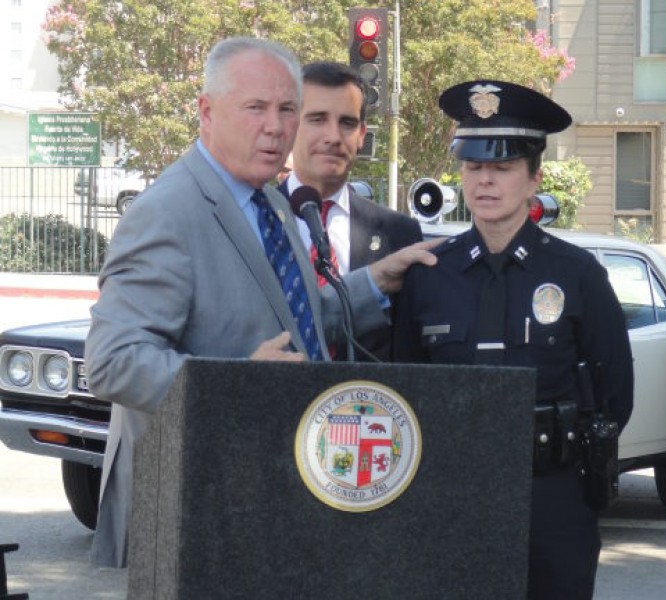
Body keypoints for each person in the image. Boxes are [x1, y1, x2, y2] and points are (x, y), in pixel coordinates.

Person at [85, 37, 438, 568]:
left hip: (270, 500)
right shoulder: (166, 213)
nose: (275, 126)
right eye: (255, 108)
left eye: (287, 109)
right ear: (207, 111)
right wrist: (236, 382)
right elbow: (113, 363)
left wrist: (374, 282)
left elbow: (291, 322)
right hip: (195, 510)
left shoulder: (271, 201)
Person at [392, 80, 634, 599]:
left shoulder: (577, 274)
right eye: (473, 167)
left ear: (533, 178)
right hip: (450, 493)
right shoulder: (430, 274)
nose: (485, 180)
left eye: (502, 167)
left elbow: (616, 393)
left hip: (553, 492)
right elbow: (405, 386)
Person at [278, 61, 422, 360]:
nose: (333, 136)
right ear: (290, 126)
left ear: (361, 135)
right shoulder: (253, 219)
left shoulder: (398, 234)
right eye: (317, 119)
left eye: (347, 123)